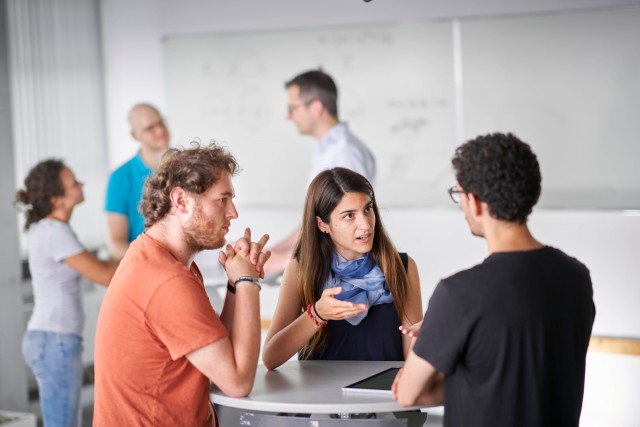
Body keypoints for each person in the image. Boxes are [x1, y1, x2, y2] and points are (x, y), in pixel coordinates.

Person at [392, 133, 596, 427]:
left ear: (474, 202)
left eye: (459, 194)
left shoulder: (459, 294)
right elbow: (531, 370)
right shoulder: (577, 277)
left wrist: (442, 334)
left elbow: (408, 393)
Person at [93, 142, 270, 426]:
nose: (233, 213)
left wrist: (236, 285)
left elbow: (215, 349)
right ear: (180, 201)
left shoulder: (161, 260)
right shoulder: (167, 280)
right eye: (222, 199)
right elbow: (236, 381)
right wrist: (248, 281)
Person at [262, 167, 422, 370]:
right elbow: (271, 358)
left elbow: (413, 362)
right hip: (321, 399)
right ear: (322, 224)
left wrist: (427, 337)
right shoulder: (300, 270)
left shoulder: (402, 267)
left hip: (383, 399)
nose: (365, 224)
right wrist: (317, 314)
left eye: (368, 209)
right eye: (349, 216)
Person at [15, 159, 119, 427]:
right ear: (56, 199)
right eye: (74, 183)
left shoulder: (52, 229)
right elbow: (105, 275)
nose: (81, 184)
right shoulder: (54, 231)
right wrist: (144, 247)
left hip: (51, 339)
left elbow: (103, 266)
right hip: (54, 341)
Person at [265, 70, 377, 276]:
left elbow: (346, 225)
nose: (288, 115)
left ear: (316, 107)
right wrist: (273, 252)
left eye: (293, 108)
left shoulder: (345, 154)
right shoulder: (327, 149)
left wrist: (285, 261)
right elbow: (317, 219)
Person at [105, 103, 170, 259]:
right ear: (135, 135)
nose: (160, 131)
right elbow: (116, 244)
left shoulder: (188, 169)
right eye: (150, 128)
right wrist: (155, 260)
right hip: (147, 264)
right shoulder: (120, 177)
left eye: (161, 123)